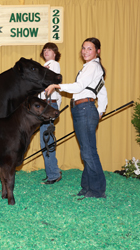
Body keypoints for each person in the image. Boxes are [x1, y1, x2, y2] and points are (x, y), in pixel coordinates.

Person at [45, 37, 108, 198]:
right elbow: (101, 91)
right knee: (87, 151)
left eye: (89, 48)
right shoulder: (93, 67)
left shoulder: (93, 66)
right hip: (83, 109)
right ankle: (87, 187)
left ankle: (97, 190)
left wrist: (56, 85)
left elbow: (79, 87)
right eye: (84, 48)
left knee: (88, 152)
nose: (85, 51)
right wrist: (99, 111)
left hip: (84, 109)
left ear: (97, 51)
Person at [39, 43, 62, 185]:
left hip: (48, 104)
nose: (46, 52)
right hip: (44, 105)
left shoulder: (53, 64)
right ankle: (51, 172)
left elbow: (48, 81)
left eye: (49, 50)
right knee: (46, 139)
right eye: (44, 50)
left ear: (55, 53)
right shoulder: (44, 65)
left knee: (46, 140)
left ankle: (53, 173)